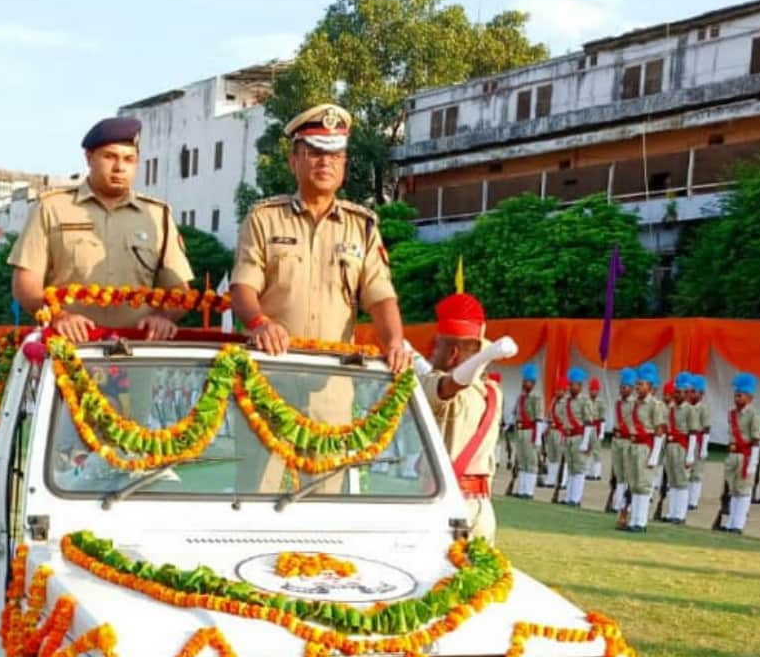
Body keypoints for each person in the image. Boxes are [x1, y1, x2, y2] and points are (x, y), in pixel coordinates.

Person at [231, 103, 407, 372]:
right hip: (269, 373)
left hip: (334, 379)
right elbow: (243, 286)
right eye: (315, 152)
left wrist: (395, 343)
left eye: (335, 155)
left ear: (344, 165)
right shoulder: (263, 219)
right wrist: (259, 323)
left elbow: (381, 296)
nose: (325, 162)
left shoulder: (363, 227)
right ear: (294, 161)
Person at [11, 116, 193, 342]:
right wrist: (59, 316)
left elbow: (180, 290)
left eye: (129, 159)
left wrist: (163, 316)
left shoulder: (157, 215)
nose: (119, 168)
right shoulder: (52, 208)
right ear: (89, 158)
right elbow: (25, 285)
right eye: (110, 157)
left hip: (139, 350)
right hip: (68, 347)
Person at [423, 291, 503, 541]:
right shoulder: (491, 391)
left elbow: (449, 386)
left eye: (437, 346)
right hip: (479, 508)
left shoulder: (436, 385)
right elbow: (456, 381)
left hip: (447, 506)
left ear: (453, 354)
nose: (432, 354)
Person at [621, 363, 667, 532]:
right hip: (634, 446)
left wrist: (654, 455)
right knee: (633, 483)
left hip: (646, 447)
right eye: (637, 384)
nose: (637, 387)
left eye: (641, 384)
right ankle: (633, 519)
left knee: (643, 484)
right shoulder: (633, 403)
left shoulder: (656, 405)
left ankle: (641, 521)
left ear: (650, 386)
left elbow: (659, 431)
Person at [719, 373, 760, 534]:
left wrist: (753, 463)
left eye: (740, 396)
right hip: (733, 455)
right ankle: (731, 521)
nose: (736, 398)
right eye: (735, 395)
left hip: (746, 456)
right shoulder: (732, 414)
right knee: (733, 489)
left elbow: (756, 441)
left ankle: (738, 524)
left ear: (749, 398)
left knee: (744, 490)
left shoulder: (754, 415)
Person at [557, 368, 592, 506]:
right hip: (568, 437)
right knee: (570, 467)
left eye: (574, 384)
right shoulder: (565, 401)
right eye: (570, 384)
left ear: (580, 386)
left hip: (579, 436)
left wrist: (585, 442)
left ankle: (576, 498)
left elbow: (588, 422)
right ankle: (568, 496)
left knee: (579, 468)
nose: (571, 387)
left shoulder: (585, 401)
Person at [660, 376, 692, 523]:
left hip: (682, 447)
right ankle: (672, 512)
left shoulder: (690, 410)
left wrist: (690, 454)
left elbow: (693, 434)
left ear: (686, 393)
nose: (677, 395)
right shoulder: (671, 409)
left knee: (681, 481)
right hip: (670, 446)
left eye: (681, 392)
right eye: (676, 392)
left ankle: (680, 514)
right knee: (672, 481)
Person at [507, 366, 542, 498]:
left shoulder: (536, 397)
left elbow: (538, 418)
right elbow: (515, 413)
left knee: (531, 461)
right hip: (520, 431)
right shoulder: (520, 397)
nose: (524, 383)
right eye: (524, 381)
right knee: (522, 460)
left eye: (527, 381)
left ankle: (529, 491)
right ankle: (521, 489)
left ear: (533, 383)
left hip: (530, 432)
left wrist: (538, 438)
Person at [608, 367, 637, 514]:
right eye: (621, 387)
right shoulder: (617, 403)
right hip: (617, 440)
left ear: (631, 388)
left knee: (627, 472)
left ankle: (625, 503)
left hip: (628, 441)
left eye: (624, 387)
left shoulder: (635, 404)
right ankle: (616, 502)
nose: (621, 390)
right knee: (618, 473)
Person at [686, 375, 711, 512]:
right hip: (688, 440)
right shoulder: (687, 407)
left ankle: (693, 500)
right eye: (690, 391)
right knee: (686, 470)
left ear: (701, 394)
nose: (691, 394)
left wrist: (704, 448)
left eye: (694, 392)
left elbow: (706, 428)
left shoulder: (703, 408)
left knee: (697, 471)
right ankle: (685, 497)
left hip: (699, 441)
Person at [585, 376, 607, 480]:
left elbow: (602, 418)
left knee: (596, 451)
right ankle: (587, 471)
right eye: (591, 390)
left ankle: (596, 473)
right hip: (587, 427)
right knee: (586, 450)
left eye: (595, 390)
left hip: (596, 427)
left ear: (598, 391)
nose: (593, 392)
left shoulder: (601, 402)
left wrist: (602, 432)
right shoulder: (585, 401)